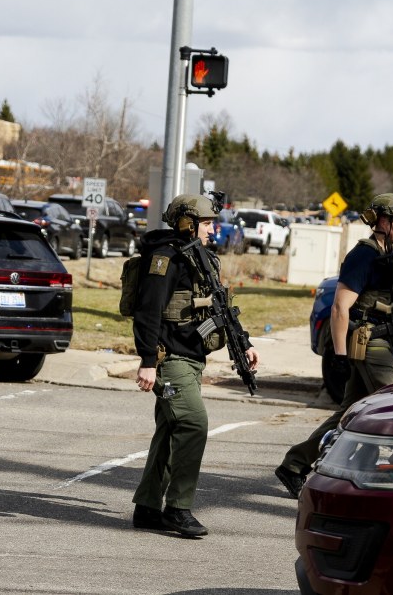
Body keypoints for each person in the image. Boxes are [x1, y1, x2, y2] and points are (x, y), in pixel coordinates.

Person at [274, 193, 393, 498]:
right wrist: (339, 354)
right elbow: (340, 307)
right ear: (383, 221)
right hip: (370, 342)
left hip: (389, 341)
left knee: (350, 414)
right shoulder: (363, 256)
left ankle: (294, 465)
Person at [131, 192, 260, 537]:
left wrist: (244, 342)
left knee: (169, 432)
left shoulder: (199, 256)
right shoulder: (166, 258)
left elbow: (220, 307)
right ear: (187, 223)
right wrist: (147, 361)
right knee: (193, 424)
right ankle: (178, 508)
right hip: (170, 359)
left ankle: (147, 508)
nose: (212, 229)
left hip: (191, 359)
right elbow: (147, 311)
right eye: (206, 223)